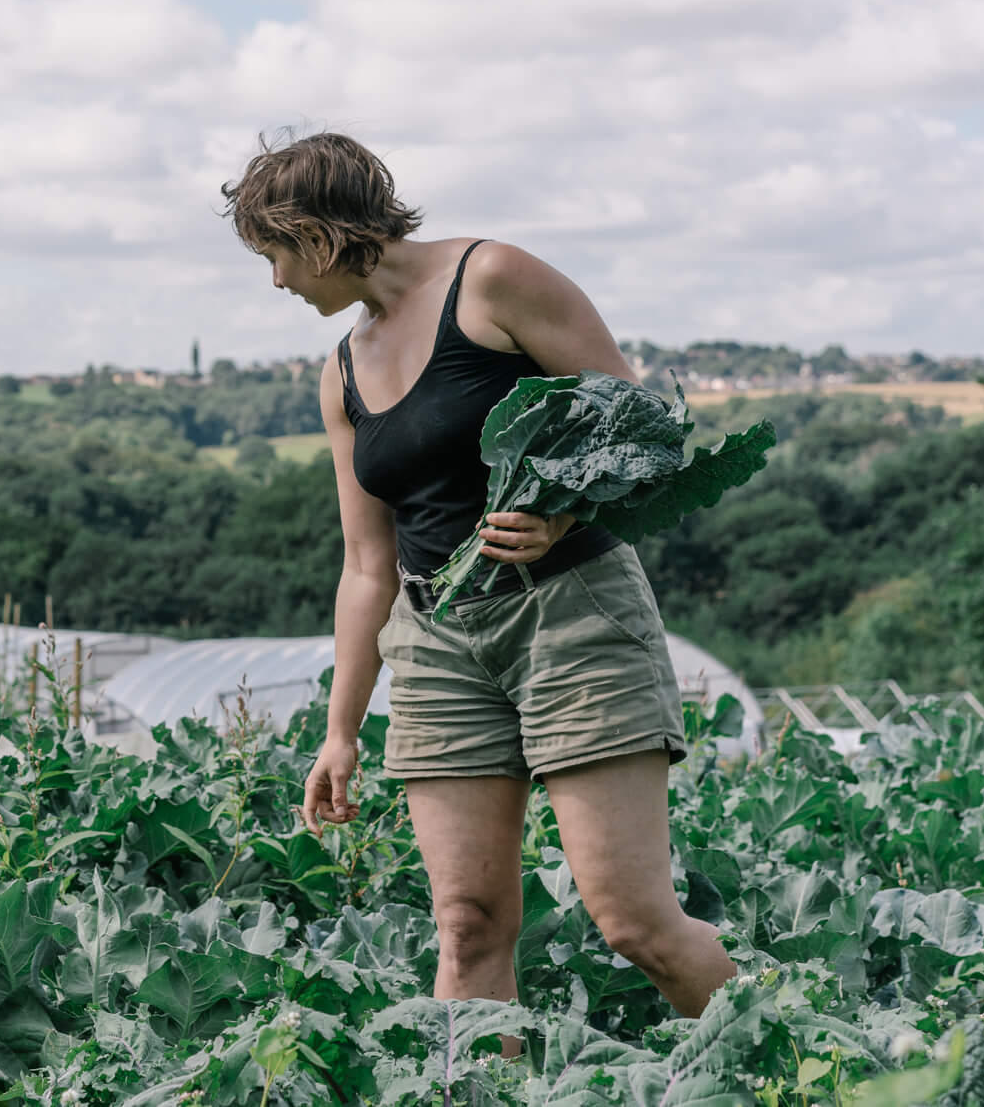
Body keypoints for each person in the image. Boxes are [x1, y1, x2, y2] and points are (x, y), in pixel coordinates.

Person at [217, 130, 735, 1036]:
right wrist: (340, 733)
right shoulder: (340, 373)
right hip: (436, 643)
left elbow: (645, 423)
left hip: (570, 616)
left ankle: (812, 1073)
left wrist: (564, 513)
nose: (280, 284)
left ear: (323, 234)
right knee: (467, 929)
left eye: (279, 256)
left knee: (634, 925)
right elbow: (366, 564)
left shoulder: (492, 280)